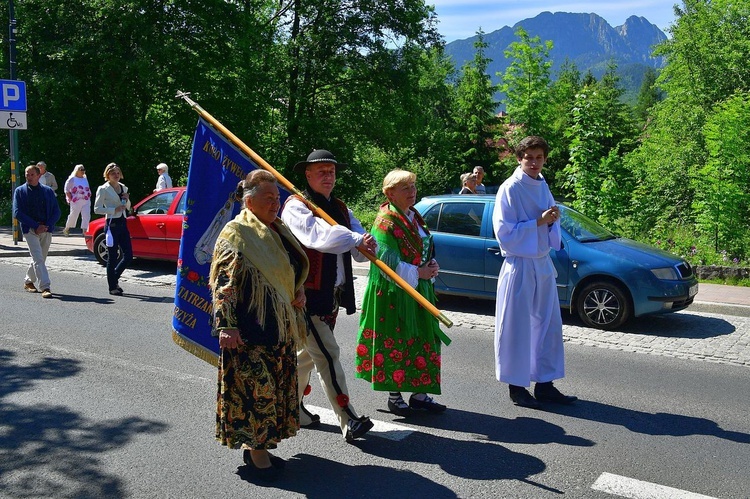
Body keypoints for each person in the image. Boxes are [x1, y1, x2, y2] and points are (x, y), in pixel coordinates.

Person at [210, 169, 309, 482]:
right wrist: (226, 325)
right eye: (268, 198)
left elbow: (291, 268)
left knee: (273, 393)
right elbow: (224, 283)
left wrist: (298, 289)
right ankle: (257, 456)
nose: (275, 203)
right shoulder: (236, 233)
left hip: (279, 330)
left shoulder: (276, 229)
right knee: (257, 395)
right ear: (248, 201)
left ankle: (260, 449)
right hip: (250, 332)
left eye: (276, 198)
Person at [280, 149, 376, 442]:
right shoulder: (297, 207)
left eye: (331, 171)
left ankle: (291, 408)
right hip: (305, 296)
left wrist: (365, 245)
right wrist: (356, 239)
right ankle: (348, 419)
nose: (328, 177)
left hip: (332, 295)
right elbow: (320, 237)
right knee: (328, 354)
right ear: (308, 175)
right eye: (321, 171)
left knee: (307, 357)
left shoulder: (342, 208)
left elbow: (358, 245)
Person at [492, 136, 577, 409]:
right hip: (520, 263)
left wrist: (552, 220)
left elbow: (550, 223)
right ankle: (516, 387)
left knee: (548, 325)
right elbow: (504, 233)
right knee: (517, 327)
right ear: (519, 158)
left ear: (545, 159)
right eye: (529, 157)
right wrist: (539, 221)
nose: (534, 163)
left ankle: (545, 383)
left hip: (541, 262)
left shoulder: (542, 185)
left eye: (539, 158)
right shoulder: (510, 188)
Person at [355, 169, 446, 416]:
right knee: (397, 340)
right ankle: (394, 396)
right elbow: (385, 263)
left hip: (419, 288)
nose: (412, 192)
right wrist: (419, 273)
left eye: (413, 186)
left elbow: (424, 248)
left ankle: (419, 394)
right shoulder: (385, 221)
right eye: (405, 188)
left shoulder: (414, 215)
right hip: (394, 292)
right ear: (389, 193)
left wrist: (431, 266)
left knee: (423, 338)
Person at [12, 165, 61, 298]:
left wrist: (47, 225)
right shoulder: (20, 191)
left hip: (46, 229)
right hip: (30, 230)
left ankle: (28, 281)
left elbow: (57, 212)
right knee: (38, 258)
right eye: (27, 174)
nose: (29, 177)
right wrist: (35, 225)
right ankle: (45, 286)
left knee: (41, 258)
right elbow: (17, 212)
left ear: (39, 176)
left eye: (32, 174)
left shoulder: (47, 191)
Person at [94, 163, 132, 296]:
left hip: (122, 222)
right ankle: (112, 286)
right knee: (112, 256)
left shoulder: (123, 187)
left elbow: (128, 207)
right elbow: (97, 209)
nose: (116, 175)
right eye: (112, 173)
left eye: (117, 173)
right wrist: (112, 210)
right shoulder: (103, 189)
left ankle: (114, 278)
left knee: (128, 255)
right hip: (111, 224)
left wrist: (127, 200)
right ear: (107, 175)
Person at [62, 164, 91, 236]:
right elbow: (66, 189)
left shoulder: (85, 178)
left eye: (83, 169)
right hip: (76, 200)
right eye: (81, 170)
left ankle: (84, 230)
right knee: (73, 215)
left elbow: (87, 188)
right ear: (77, 170)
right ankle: (67, 228)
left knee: (86, 215)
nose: (83, 171)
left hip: (86, 200)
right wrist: (70, 198)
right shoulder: (72, 179)